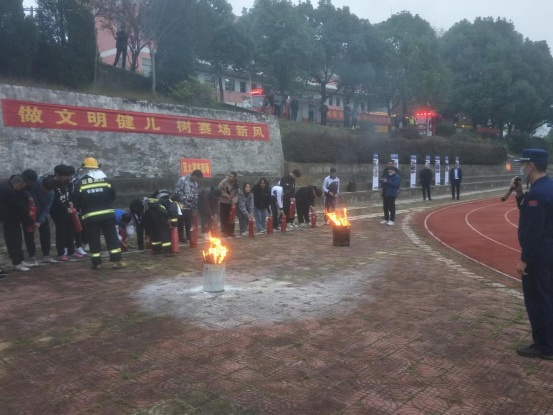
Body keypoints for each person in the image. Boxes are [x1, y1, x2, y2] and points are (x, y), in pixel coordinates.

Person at [512, 149, 553, 360]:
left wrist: (524, 259)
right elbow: (533, 214)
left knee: (538, 299)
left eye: (523, 164)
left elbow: (533, 230)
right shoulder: (548, 186)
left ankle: (544, 346)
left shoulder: (537, 193)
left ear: (531, 166)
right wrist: (520, 194)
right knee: (548, 295)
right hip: (548, 249)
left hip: (539, 253)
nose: (522, 168)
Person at [72, 157, 125, 270]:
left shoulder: (80, 183)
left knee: (93, 239)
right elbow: (113, 196)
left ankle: (97, 263)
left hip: (90, 217)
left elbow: (76, 201)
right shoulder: (106, 180)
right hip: (107, 214)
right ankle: (116, 261)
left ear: (84, 169)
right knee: (112, 238)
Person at [0, 175, 35, 272]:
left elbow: (21, 196)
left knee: (18, 238)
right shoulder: (8, 190)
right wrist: (28, 214)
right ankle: (16, 262)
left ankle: (21, 260)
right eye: (22, 186)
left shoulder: (8, 185)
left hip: (12, 217)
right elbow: (17, 206)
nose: (22, 189)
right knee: (12, 240)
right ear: (19, 184)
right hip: (7, 217)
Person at [24, 176, 59, 266]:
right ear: (41, 183)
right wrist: (29, 197)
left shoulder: (51, 193)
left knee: (46, 234)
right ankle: (32, 257)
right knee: (29, 235)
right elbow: (24, 190)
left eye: (47, 190)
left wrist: (39, 222)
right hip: (29, 213)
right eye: (43, 188)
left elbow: (46, 209)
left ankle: (46, 256)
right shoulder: (34, 183)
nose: (44, 190)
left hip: (41, 214)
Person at [50, 164, 80, 261]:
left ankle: (71, 251)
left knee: (70, 230)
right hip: (57, 212)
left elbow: (68, 195)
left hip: (67, 210)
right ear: (57, 175)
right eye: (64, 176)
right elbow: (55, 201)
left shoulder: (65, 183)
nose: (66, 178)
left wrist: (70, 202)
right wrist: (64, 208)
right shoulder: (53, 185)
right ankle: (61, 253)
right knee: (61, 231)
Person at [143, 190, 179, 256]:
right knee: (165, 232)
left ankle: (156, 250)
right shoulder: (171, 202)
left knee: (154, 232)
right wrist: (173, 225)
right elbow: (172, 214)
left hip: (149, 215)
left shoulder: (155, 200)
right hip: (160, 215)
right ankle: (167, 251)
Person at [175, 169, 203, 243]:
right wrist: (185, 198)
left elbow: (196, 195)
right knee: (180, 222)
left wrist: (194, 207)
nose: (197, 180)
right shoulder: (182, 180)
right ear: (194, 175)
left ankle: (188, 236)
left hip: (190, 206)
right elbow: (177, 192)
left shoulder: (195, 184)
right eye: (197, 178)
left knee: (188, 222)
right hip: (182, 205)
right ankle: (181, 237)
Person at [218, 171, 239, 237]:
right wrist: (226, 195)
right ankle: (224, 232)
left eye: (232, 177)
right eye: (230, 176)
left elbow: (237, 194)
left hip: (231, 203)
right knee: (224, 217)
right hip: (224, 202)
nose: (231, 178)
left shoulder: (236, 184)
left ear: (235, 178)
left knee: (231, 217)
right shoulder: (224, 182)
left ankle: (231, 232)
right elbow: (219, 190)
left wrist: (235, 199)